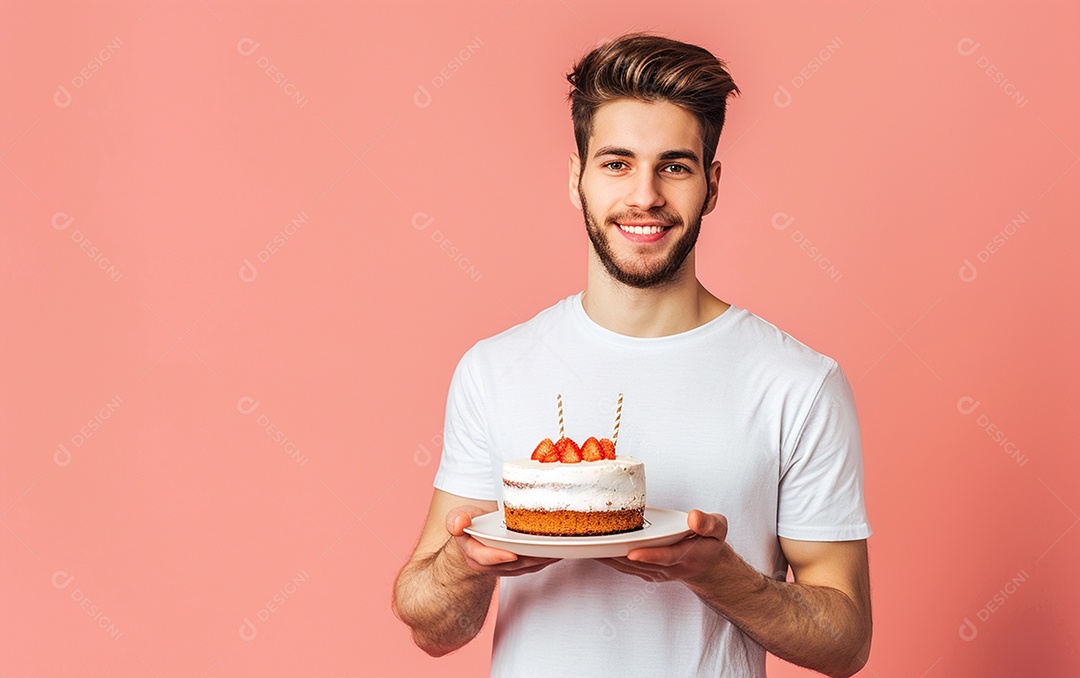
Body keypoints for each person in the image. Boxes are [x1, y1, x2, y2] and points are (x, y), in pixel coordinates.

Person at [392, 32, 872, 678]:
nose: (644, 196)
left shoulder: (798, 384)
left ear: (713, 184)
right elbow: (431, 624)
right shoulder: (494, 370)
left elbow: (846, 641)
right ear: (576, 178)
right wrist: (465, 561)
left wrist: (722, 576)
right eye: (617, 163)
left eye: (674, 166)